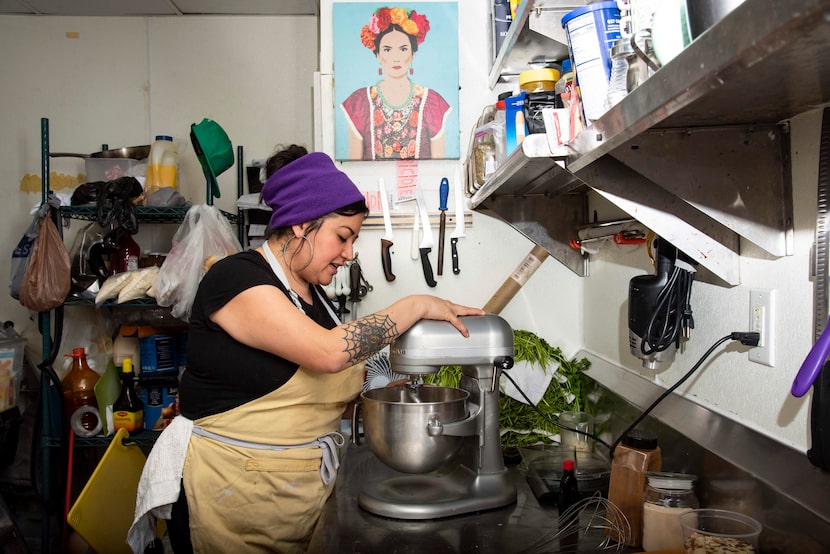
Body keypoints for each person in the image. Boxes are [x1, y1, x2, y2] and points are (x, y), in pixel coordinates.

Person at [127, 145, 484, 553]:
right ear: (301, 225)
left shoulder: (318, 298)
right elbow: (329, 353)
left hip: (291, 496)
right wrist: (416, 304)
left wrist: (388, 393)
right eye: (343, 237)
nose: (349, 254)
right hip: (230, 495)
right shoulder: (236, 279)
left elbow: (316, 384)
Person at [340, 6, 451, 160]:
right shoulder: (359, 102)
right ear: (378, 55)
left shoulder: (433, 102)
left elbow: (440, 168)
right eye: (387, 50)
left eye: (403, 49)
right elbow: (353, 168)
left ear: (412, 54)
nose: (396, 57)